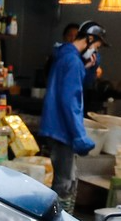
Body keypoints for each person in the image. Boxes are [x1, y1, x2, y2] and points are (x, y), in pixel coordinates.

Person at [39, 20, 103, 204]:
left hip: (55, 126)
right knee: (64, 186)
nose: (96, 53)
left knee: (64, 181)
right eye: (96, 47)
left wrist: (87, 70)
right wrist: (80, 136)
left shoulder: (65, 56)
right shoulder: (73, 61)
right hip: (62, 129)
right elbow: (70, 101)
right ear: (89, 40)